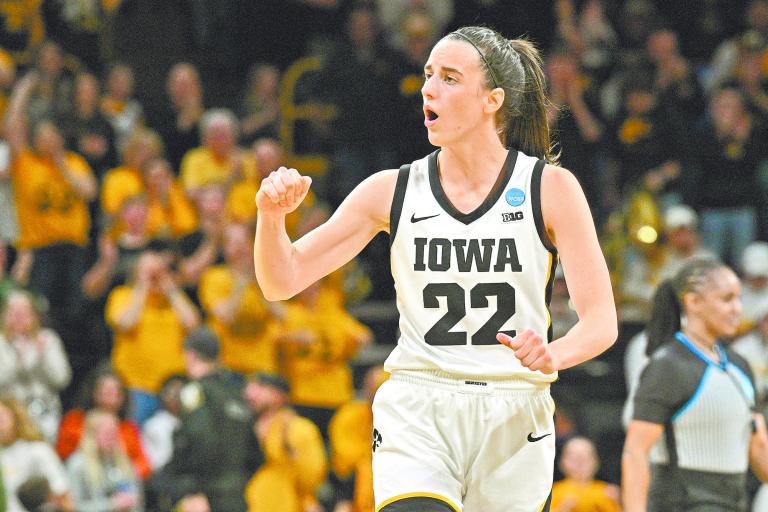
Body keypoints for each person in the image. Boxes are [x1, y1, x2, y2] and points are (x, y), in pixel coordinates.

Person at [254, 25, 617, 512]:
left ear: (492, 100)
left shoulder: (549, 187)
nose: (428, 88)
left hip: (514, 409)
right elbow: (282, 281)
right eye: (428, 75)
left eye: (449, 77)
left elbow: (601, 323)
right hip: (419, 404)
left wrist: (555, 353)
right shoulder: (391, 190)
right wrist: (271, 219)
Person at [622, 258, 768, 511]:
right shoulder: (667, 366)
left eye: (739, 299)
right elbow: (635, 452)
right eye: (727, 299)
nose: (738, 309)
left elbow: (759, 448)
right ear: (693, 302)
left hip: (734, 502)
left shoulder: (739, 365)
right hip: (681, 503)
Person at [65, 410, 143, 512]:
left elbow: (137, 499)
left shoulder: (124, 461)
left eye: (114, 433)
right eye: (107, 433)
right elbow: (72, 507)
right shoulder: (77, 464)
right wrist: (112, 504)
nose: (112, 438)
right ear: (91, 435)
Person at [551, 436, 620, 512]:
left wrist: (619, 503)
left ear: (596, 462)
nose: (580, 463)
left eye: (585, 458)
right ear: (562, 462)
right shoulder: (553, 493)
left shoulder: (606, 492)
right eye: (574, 458)